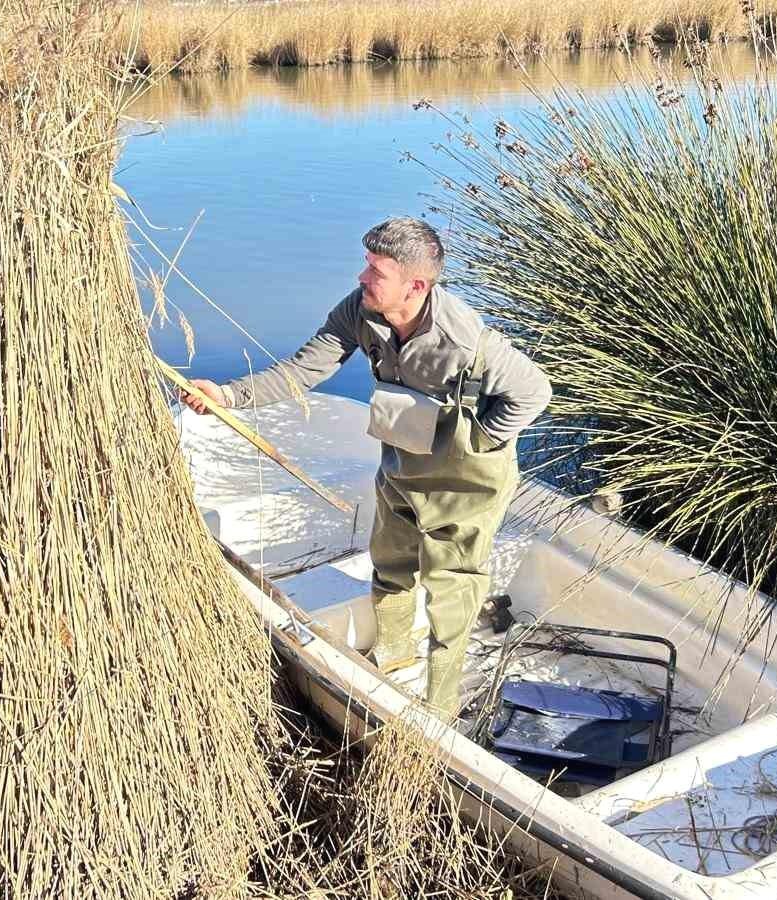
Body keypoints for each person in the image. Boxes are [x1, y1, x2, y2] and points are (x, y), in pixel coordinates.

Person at [181, 217, 550, 716]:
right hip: (402, 467)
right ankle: (393, 657)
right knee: (391, 561)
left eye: (376, 270)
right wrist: (227, 395)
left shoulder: (466, 342)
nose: (361, 277)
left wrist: (481, 438)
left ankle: (441, 702)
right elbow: (303, 369)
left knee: (452, 586)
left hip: (466, 484)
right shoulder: (361, 311)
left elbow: (533, 392)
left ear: (415, 285)